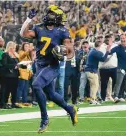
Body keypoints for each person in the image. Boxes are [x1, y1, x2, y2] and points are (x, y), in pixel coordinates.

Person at [20, 5, 78, 133]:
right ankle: (70, 109)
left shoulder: (62, 31)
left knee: (36, 86)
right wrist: (28, 19)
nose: (48, 15)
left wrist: (63, 54)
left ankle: (44, 119)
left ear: (57, 18)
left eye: (52, 13)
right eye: (49, 13)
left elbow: (70, 51)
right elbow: (23, 34)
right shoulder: (39, 27)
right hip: (39, 64)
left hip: (52, 65)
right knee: (51, 95)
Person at [85, 40, 111, 105]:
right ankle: (93, 99)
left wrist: (106, 53)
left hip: (89, 70)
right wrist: (107, 51)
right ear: (99, 46)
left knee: (93, 86)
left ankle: (92, 99)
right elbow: (103, 59)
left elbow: (102, 56)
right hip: (91, 71)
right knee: (95, 85)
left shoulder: (93, 51)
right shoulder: (95, 52)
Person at [1, 41, 20, 109]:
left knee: (14, 90)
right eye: (13, 48)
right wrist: (14, 66)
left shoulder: (16, 55)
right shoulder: (5, 54)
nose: (14, 49)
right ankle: (5, 103)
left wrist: (24, 65)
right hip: (8, 75)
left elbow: (18, 64)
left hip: (15, 74)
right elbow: (5, 64)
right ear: (9, 47)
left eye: (15, 48)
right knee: (7, 89)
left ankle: (13, 103)